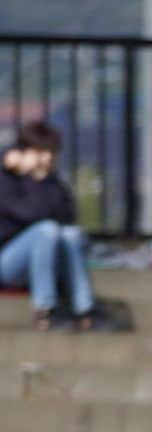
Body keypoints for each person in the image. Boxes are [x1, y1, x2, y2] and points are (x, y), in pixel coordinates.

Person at [0, 121, 100, 330]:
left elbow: (68, 215)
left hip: (46, 258)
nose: (48, 158)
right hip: (8, 262)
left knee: (71, 234)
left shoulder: (51, 182)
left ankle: (85, 309)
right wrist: (30, 177)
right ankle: (45, 309)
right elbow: (30, 214)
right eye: (41, 152)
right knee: (46, 230)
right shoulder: (6, 180)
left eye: (51, 152)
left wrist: (43, 179)